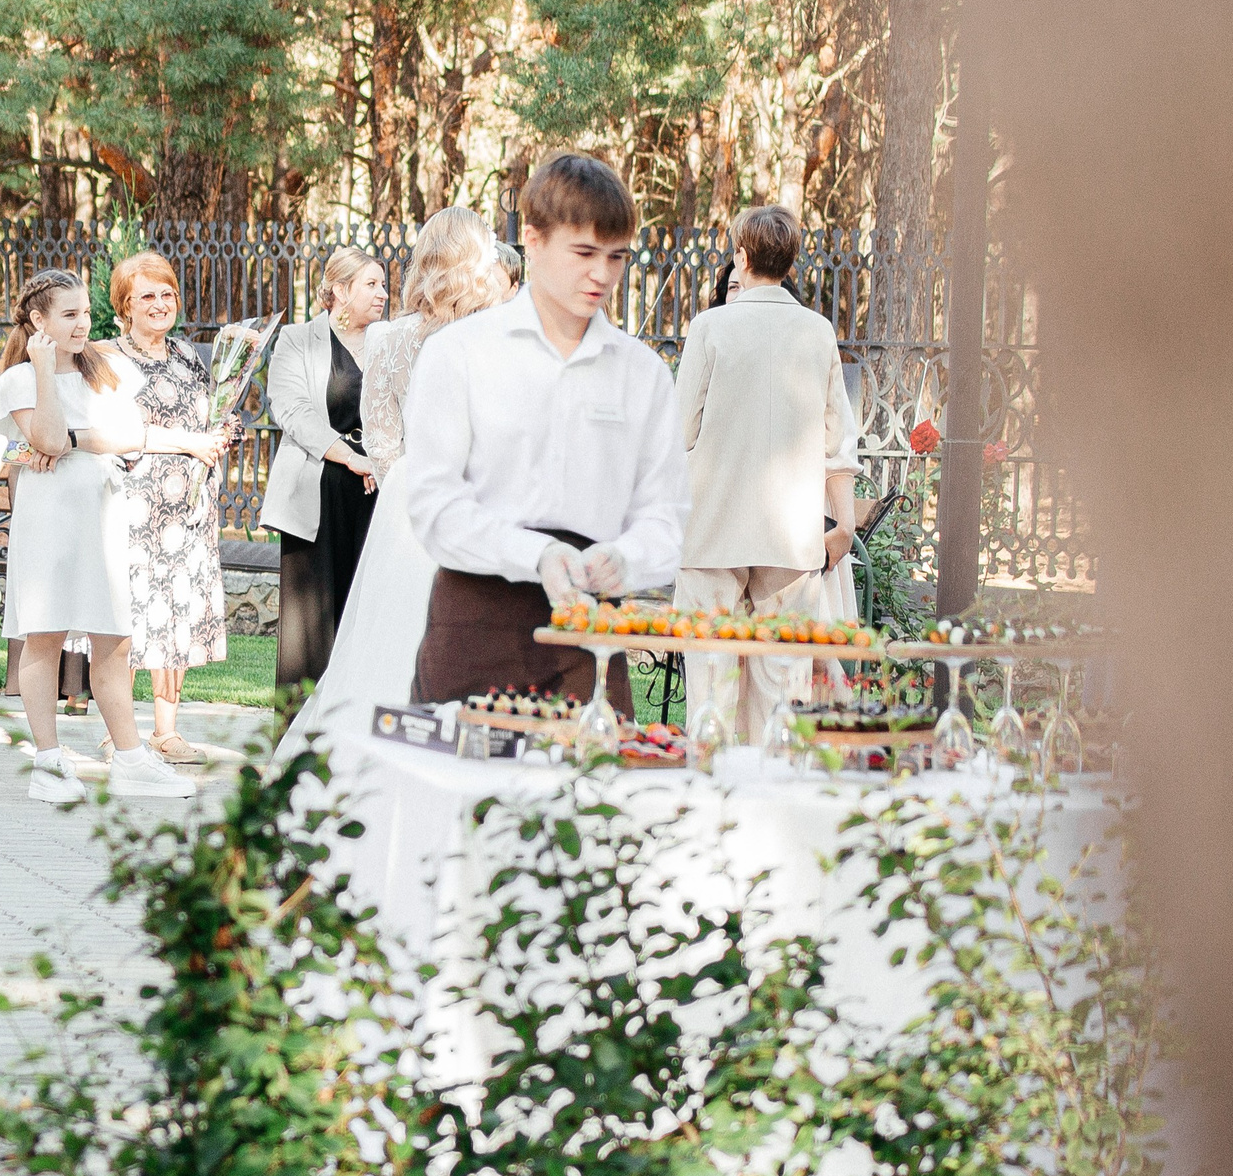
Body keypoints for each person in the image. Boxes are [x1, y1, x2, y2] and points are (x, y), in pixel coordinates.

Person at [406, 154, 689, 706]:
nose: (602, 275)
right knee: (457, 788)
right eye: (584, 253)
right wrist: (533, 554)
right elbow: (433, 504)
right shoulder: (460, 354)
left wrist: (626, 558)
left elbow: (666, 515)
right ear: (532, 241)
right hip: (475, 617)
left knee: (596, 789)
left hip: (588, 632)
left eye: (616, 257)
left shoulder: (643, 374)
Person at [0, 269, 212, 804]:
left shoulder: (105, 371)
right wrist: (43, 372)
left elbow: (130, 435)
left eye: (85, 312)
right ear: (38, 321)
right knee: (45, 635)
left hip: (103, 514)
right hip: (49, 518)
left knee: (115, 637)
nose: (83, 323)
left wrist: (77, 441)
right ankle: (49, 762)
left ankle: (130, 757)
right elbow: (45, 436)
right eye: (69, 314)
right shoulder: (20, 380)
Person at [285, 208, 506, 743]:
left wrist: (402, 479)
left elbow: (382, 436)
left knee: (394, 634)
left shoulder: (390, 338)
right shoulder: (497, 335)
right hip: (470, 500)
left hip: (408, 495)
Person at [671, 206, 861, 743]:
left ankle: (711, 806)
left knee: (711, 689)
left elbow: (679, 432)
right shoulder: (818, 332)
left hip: (712, 530)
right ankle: (768, 804)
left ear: (743, 257)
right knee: (779, 696)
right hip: (791, 538)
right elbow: (837, 442)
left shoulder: (709, 327)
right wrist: (843, 526)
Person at [103, 252, 236, 764]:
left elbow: (208, 416)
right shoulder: (109, 358)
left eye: (167, 294)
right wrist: (188, 442)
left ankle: (166, 730)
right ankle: (122, 733)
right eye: (147, 296)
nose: (159, 305)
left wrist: (222, 432)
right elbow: (115, 432)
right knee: (130, 615)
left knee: (175, 617)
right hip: (134, 508)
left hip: (188, 513)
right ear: (125, 305)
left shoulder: (186, 355)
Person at [261, 246, 387, 688]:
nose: (383, 295)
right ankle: (301, 737)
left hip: (375, 491)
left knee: (366, 610)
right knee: (310, 625)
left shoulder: (387, 342)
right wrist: (351, 457)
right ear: (339, 290)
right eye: (371, 285)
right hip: (316, 488)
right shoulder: (297, 340)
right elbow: (292, 413)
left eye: (383, 285)